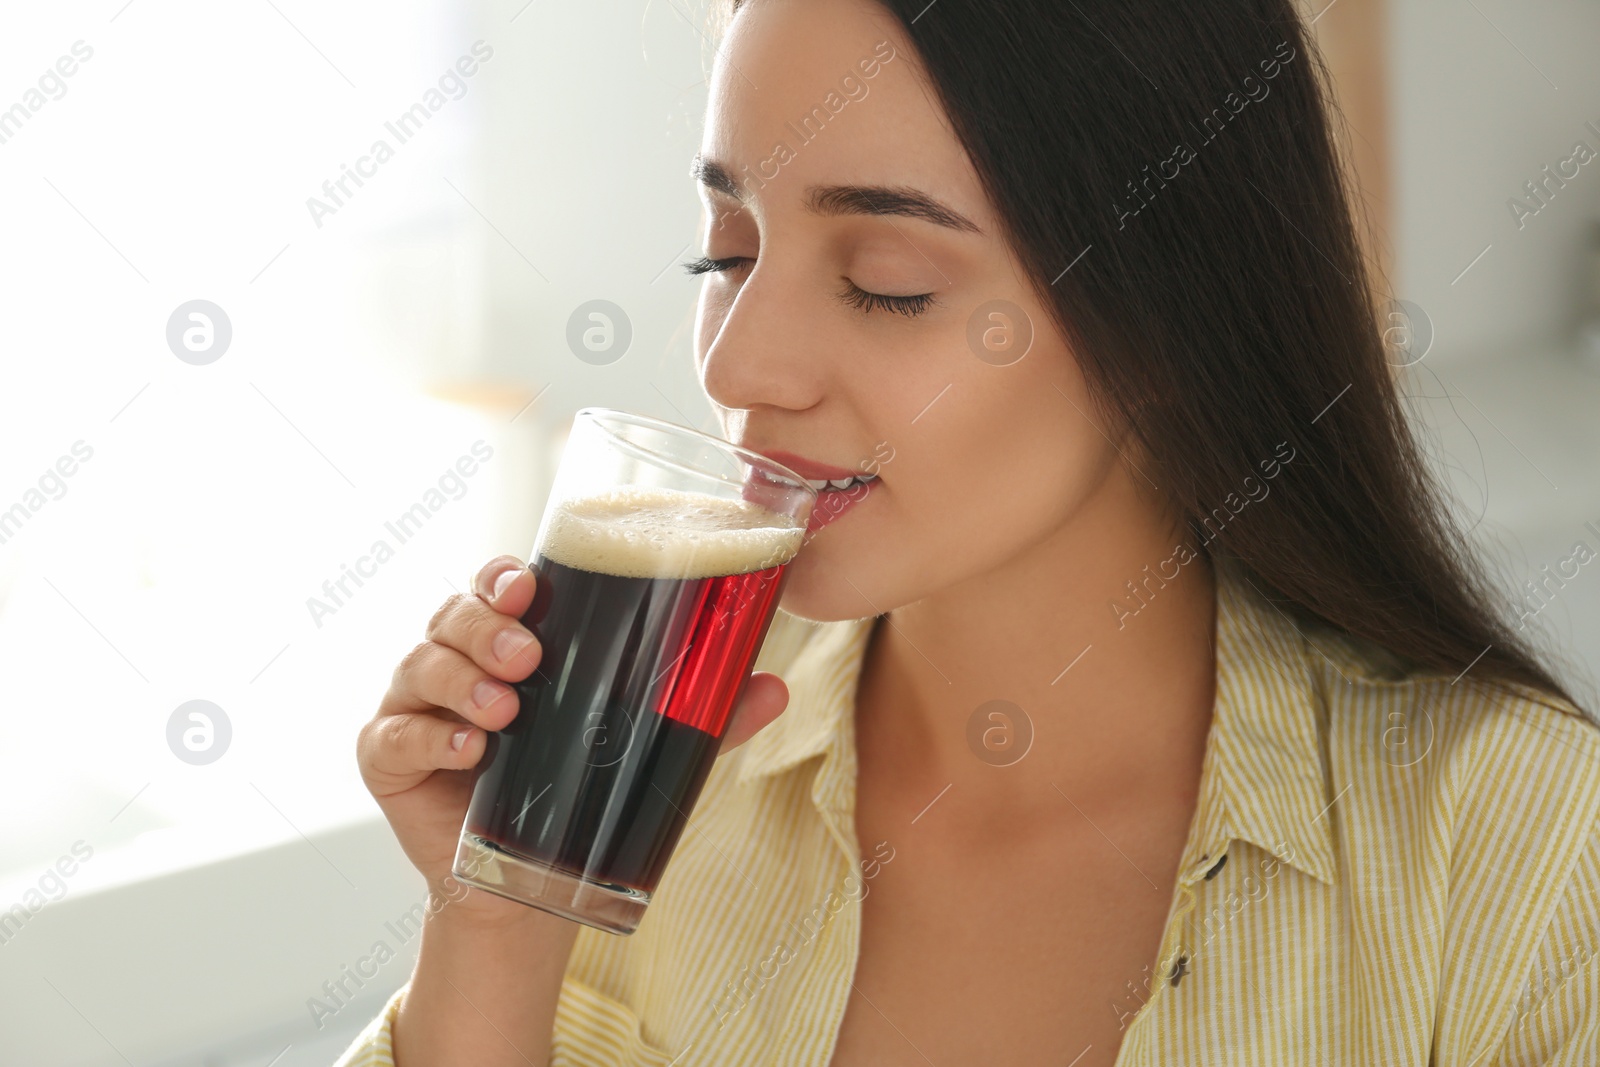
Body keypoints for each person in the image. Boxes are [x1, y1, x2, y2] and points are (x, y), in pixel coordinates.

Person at [338, 0, 1600, 1064]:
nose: (743, 362)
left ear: (1167, 315)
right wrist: (495, 928)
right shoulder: (639, 786)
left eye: (889, 280)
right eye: (726, 253)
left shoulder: (1522, 857)